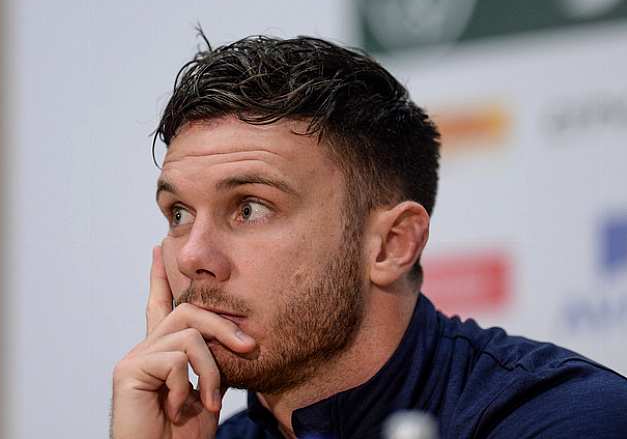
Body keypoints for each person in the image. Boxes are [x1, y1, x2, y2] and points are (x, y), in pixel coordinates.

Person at [110, 35, 627, 439]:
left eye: (250, 208)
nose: (195, 256)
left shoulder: (564, 421)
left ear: (391, 244)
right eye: (178, 213)